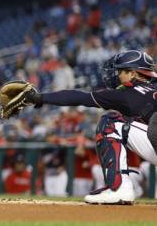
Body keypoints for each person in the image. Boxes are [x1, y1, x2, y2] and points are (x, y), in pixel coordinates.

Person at [13, 50, 157, 204]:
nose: (118, 76)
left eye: (121, 71)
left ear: (133, 73)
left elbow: (79, 97)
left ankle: (120, 188)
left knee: (111, 122)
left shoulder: (126, 94)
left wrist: (40, 98)